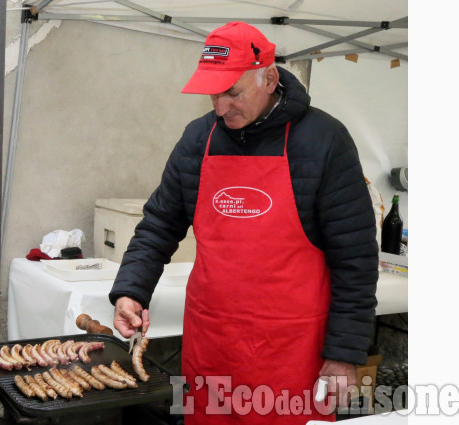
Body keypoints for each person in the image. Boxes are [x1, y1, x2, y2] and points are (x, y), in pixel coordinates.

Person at [109, 21, 378, 424]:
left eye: (232, 92)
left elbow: (356, 260)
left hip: (290, 351)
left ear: (269, 78)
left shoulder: (324, 140)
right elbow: (159, 224)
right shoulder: (198, 139)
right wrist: (131, 290)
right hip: (211, 343)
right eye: (213, 94)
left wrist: (344, 355)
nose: (220, 107)